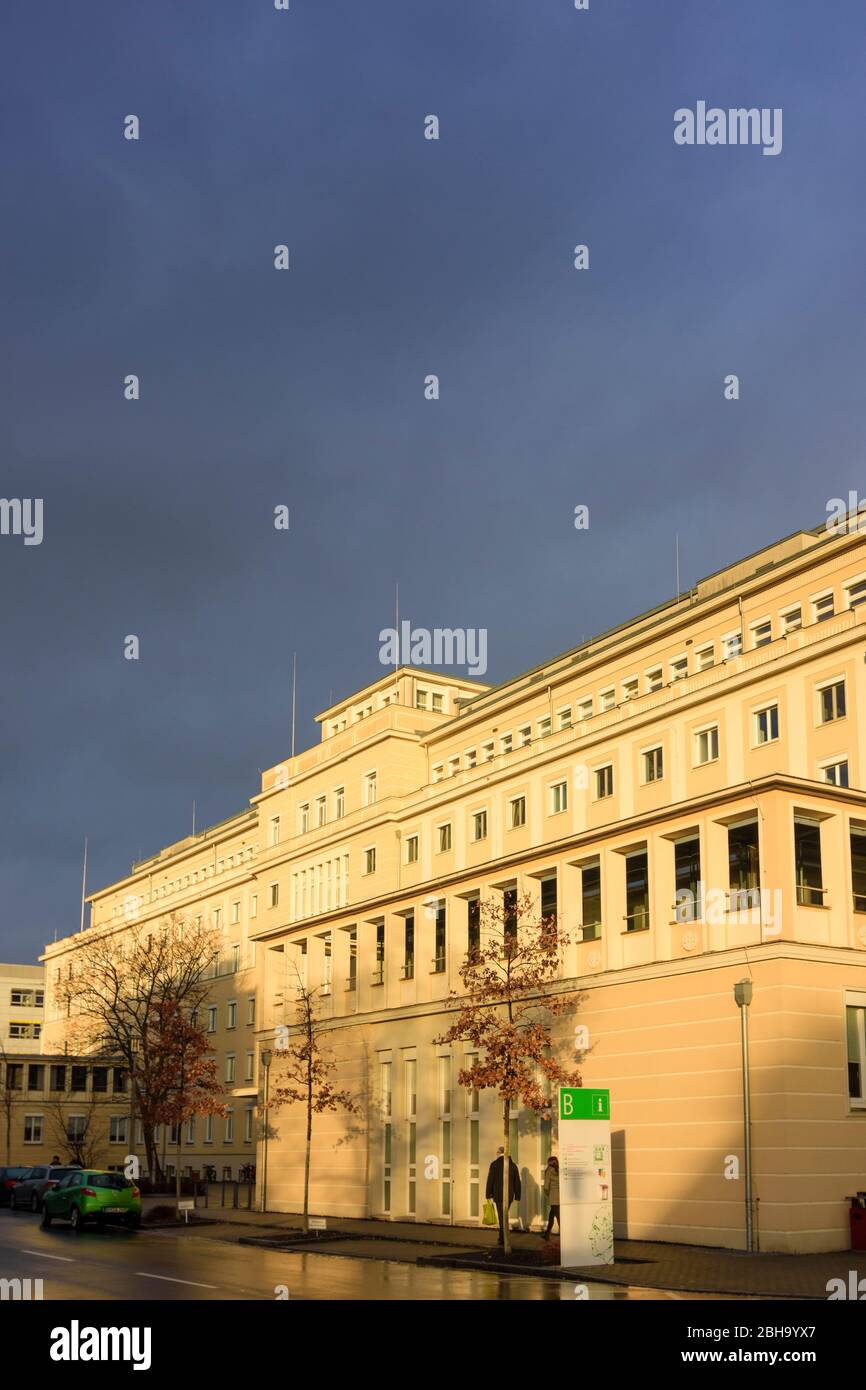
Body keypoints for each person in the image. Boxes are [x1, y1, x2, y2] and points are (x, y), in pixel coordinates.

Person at [485, 1146, 521, 1246]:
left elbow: (490, 1180)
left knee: (502, 1217)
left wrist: (488, 1193)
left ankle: (503, 1238)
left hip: (498, 1195)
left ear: (499, 1153)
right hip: (509, 1195)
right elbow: (517, 1182)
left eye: (497, 1152)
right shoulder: (513, 1165)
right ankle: (503, 1237)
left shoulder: (495, 1164)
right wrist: (517, 1195)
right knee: (504, 1215)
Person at [543, 1155, 560, 1237]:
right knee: (552, 1215)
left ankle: (564, 1235)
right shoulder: (560, 1170)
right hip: (560, 1196)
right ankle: (547, 1234)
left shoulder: (549, 1170)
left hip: (553, 1196)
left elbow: (546, 1186)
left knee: (558, 1217)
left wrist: (547, 1193)